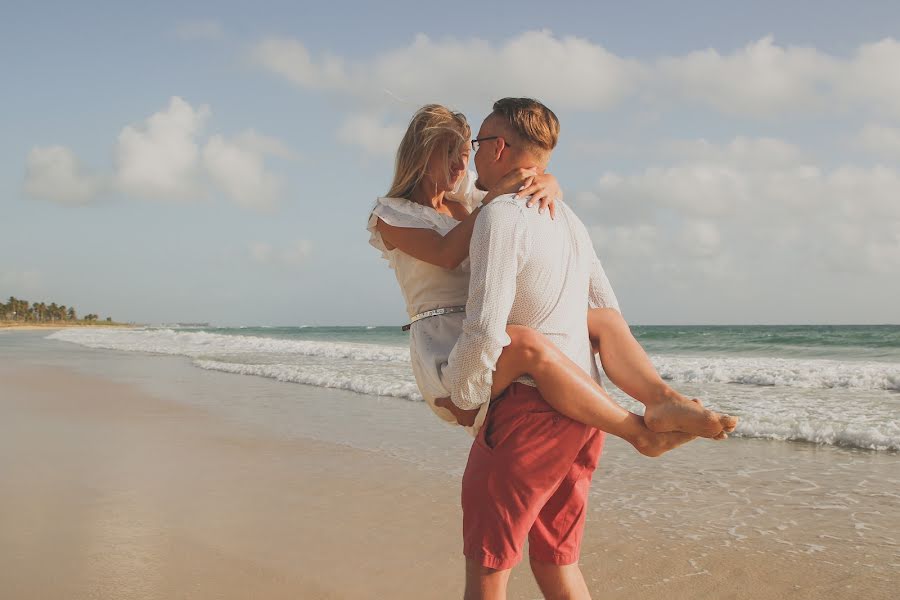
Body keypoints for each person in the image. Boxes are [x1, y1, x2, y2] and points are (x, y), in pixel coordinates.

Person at [367, 104, 735, 457]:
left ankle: (662, 400)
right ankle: (635, 433)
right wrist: (492, 199)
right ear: (420, 153)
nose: (461, 163)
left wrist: (548, 181)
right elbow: (447, 253)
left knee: (603, 318)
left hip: (486, 328)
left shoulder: (466, 202)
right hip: (445, 348)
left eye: (466, 152)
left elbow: (520, 180)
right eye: (449, 152)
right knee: (527, 342)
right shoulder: (391, 214)